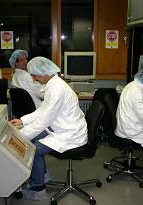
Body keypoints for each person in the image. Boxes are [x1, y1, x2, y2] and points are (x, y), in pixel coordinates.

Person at [10, 57, 88, 200]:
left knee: (33, 150)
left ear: (44, 73)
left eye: (34, 75)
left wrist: (21, 135)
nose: (33, 78)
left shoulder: (57, 88)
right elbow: (42, 111)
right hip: (61, 129)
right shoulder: (52, 85)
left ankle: (38, 190)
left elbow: (43, 122)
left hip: (70, 134)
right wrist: (22, 120)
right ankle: (42, 176)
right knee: (32, 141)